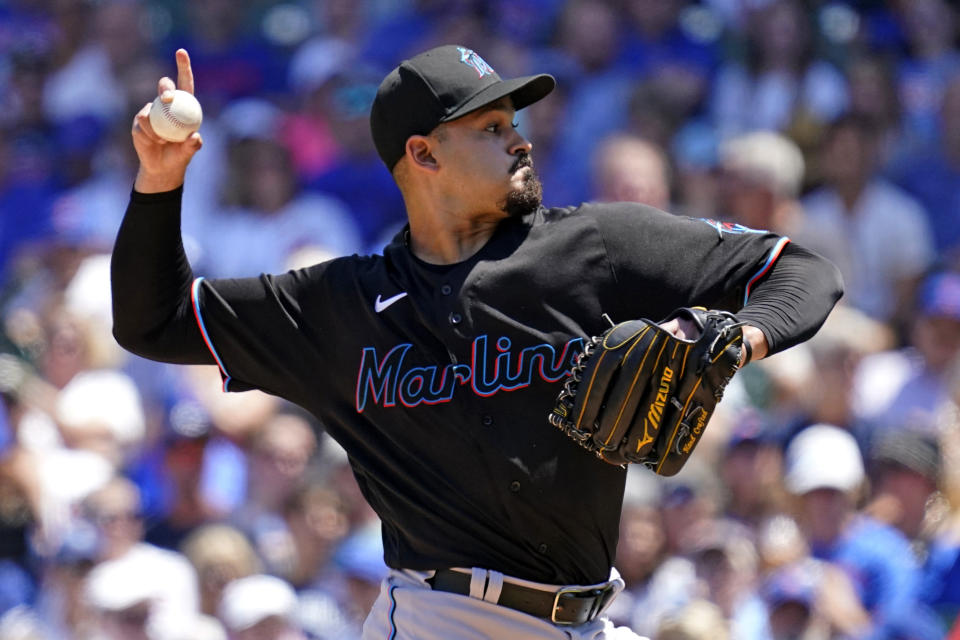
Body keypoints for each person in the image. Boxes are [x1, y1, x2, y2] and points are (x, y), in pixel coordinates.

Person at [111, 46, 842, 639]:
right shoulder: (342, 306)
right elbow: (155, 321)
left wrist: (733, 336)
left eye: (513, 121)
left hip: (586, 618)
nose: (519, 138)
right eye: (490, 128)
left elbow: (799, 270)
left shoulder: (597, 246)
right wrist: (159, 182)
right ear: (424, 156)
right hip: (440, 618)